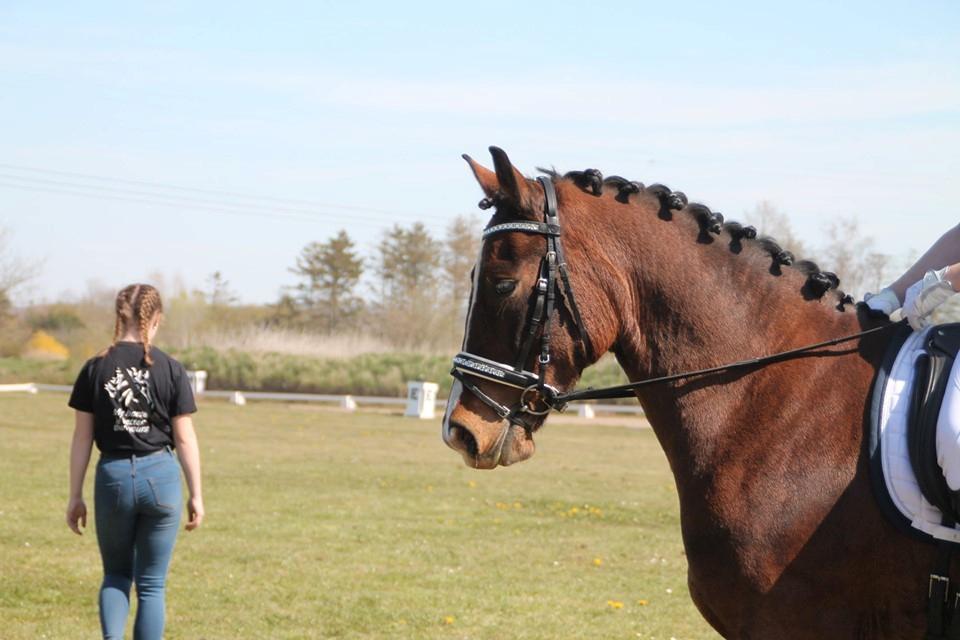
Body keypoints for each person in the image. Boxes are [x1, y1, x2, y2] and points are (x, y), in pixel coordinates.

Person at [65, 284, 204, 640]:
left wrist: (75, 494)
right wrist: (196, 495)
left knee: (116, 575)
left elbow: (82, 437)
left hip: (112, 477)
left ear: (118, 316)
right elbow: (185, 437)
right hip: (161, 477)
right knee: (152, 585)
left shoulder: (95, 367)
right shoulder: (171, 368)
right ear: (156, 319)